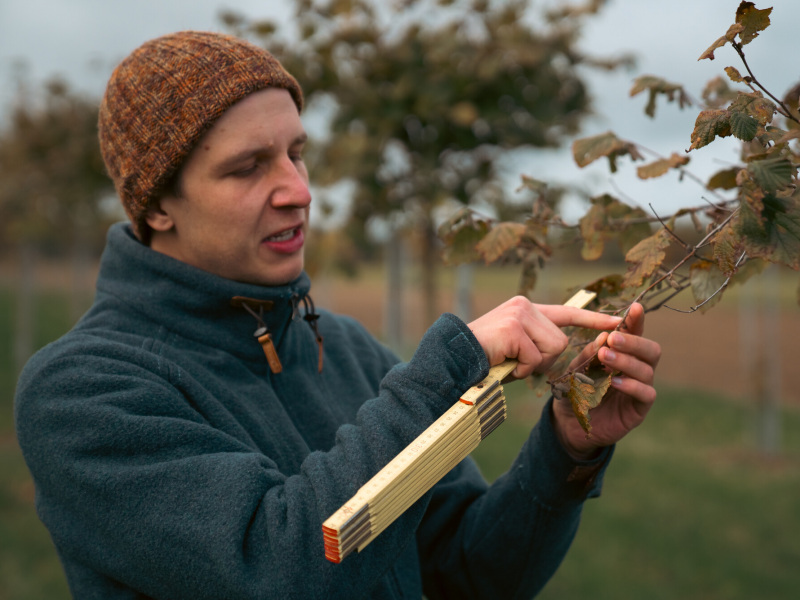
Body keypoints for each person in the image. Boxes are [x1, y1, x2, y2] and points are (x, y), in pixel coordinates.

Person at [14, 31, 661, 600]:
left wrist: (566, 448)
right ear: (157, 206)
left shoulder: (346, 349)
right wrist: (445, 372)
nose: (298, 191)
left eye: (296, 153)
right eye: (247, 168)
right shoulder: (82, 394)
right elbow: (281, 570)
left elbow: (469, 576)